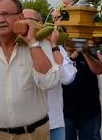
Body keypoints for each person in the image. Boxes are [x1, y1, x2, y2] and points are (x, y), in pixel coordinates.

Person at [0, 0, 59, 140]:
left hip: (34, 135)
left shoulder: (39, 46)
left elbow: (49, 82)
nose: (1, 20)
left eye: (6, 14)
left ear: (21, 17)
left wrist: (32, 42)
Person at [26, 9, 77, 140]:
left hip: (53, 122)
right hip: (23, 126)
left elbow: (67, 78)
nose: (26, 24)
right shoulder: (16, 47)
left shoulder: (54, 46)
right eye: (22, 19)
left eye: (30, 20)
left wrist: (54, 46)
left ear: (40, 23)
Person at [62, 42, 102, 140]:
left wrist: (85, 53)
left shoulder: (89, 52)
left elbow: (98, 70)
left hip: (89, 111)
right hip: (67, 112)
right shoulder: (60, 54)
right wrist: (75, 53)